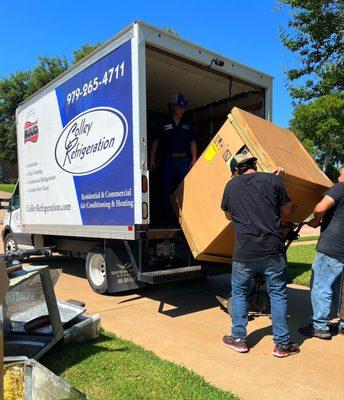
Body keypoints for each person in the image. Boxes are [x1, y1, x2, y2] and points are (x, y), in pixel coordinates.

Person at [221, 154, 299, 358]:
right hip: (272, 250)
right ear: (254, 165)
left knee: (239, 293)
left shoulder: (231, 186)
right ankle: (282, 344)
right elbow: (286, 211)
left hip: (244, 252)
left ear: (236, 170)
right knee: (278, 294)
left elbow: (229, 215)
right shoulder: (273, 180)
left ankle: (238, 339)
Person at [299, 166, 344, 339]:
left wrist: (317, 220)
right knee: (340, 288)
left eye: (340, 173)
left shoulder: (340, 187)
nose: (338, 176)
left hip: (331, 245)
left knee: (321, 285)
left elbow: (320, 208)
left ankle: (320, 326)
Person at [149, 93, 197, 225]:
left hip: (183, 161)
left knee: (183, 190)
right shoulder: (163, 122)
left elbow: (192, 141)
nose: (182, 109)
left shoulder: (188, 123)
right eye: (179, 107)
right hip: (168, 161)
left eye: (183, 107)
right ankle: (166, 220)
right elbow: (156, 142)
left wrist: (194, 159)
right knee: (166, 191)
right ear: (172, 106)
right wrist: (151, 159)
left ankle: (182, 221)